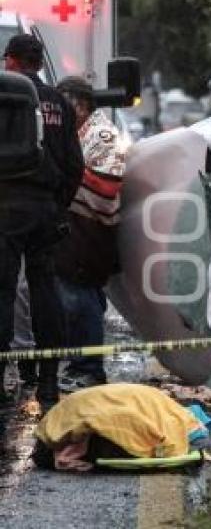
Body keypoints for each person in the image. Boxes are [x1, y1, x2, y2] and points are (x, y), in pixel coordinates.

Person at [0, 34, 84, 407]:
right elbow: (74, 166)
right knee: (45, 290)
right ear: (37, 61)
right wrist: (57, 205)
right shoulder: (60, 103)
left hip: (6, 208)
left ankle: (3, 378)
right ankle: (48, 382)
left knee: (2, 292)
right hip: (46, 209)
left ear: (11, 61)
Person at [54, 76, 129, 392]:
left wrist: (62, 173)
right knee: (80, 296)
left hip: (91, 229)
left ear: (80, 105)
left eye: (63, 103)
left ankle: (88, 368)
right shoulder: (76, 133)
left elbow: (107, 184)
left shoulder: (103, 134)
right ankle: (80, 364)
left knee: (80, 298)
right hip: (75, 227)